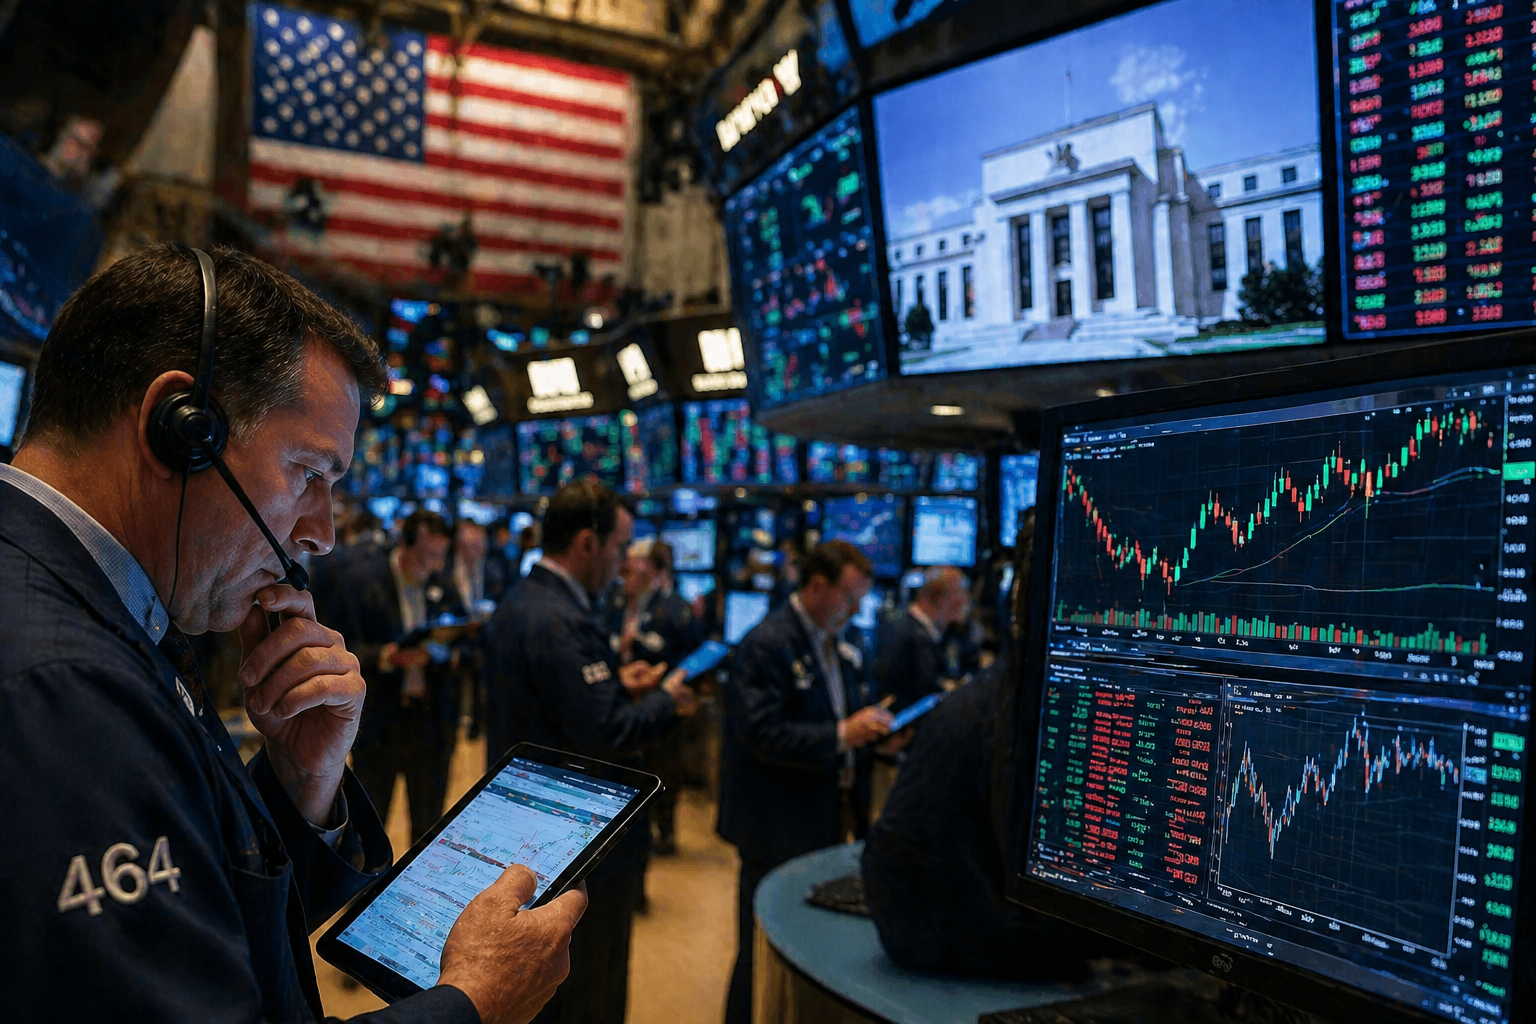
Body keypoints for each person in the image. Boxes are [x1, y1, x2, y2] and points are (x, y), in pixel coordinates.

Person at [0, 243, 584, 1023]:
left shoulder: (96, 603)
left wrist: (302, 788)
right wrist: (473, 1001)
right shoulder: (62, 687)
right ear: (180, 428)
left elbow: (196, 933)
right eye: (310, 474)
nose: (322, 533)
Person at [483, 480, 699, 1024]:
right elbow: (608, 732)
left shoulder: (523, 600)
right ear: (586, 543)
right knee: (589, 987)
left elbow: (560, 702)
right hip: (578, 840)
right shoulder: (562, 619)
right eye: (619, 546)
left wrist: (615, 684)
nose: (623, 561)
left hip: (527, 823)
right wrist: (668, 699)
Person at [717, 540, 907, 1024]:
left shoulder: (837, 641)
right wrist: (845, 733)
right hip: (775, 821)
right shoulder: (767, 643)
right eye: (849, 597)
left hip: (826, 813)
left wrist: (869, 739)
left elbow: (842, 718)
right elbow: (762, 734)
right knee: (759, 948)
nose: (857, 609)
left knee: (808, 941)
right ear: (817, 586)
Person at [323, 509, 459, 841]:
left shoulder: (442, 583)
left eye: (440, 555)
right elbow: (340, 645)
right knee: (370, 822)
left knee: (428, 825)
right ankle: (366, 891)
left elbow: (465, 639)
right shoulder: (363, 580)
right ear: (407, 544)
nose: (434, 564)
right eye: (428, 554)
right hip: (381, 721)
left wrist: (446, 651)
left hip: (429, 721)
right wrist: (387, 656)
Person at [616, 539, 701, 855]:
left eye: (637, 560)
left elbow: (692, 657)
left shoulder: (677, 609)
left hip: (663, 704)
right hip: (628, 701)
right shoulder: (622, 601)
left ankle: (664, 833)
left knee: (663, 770)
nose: (628, 564)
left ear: (654, 568)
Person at [873, 565, 970, 710]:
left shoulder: (916, 629)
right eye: (960, 592)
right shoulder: (910, 635)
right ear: (937, 596)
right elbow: (922, 693)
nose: (965, 600)